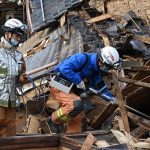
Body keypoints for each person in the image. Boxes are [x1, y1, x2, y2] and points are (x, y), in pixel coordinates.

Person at [47, 46, 122, 133]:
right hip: (58, 84)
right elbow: (65, 68)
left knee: (79, 119)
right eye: (107, 66)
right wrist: (78, 81)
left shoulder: (96, 69)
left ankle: (73, 137)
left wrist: (111, 98)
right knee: (76, 105)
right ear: (101, 60)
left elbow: (99, 87)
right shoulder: (82, 58)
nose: (106, 69)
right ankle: (52, 121)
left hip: (70, 88)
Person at [0, 18, 27, 136]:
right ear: (7, 34)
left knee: (10, 135)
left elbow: (21, 77)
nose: (19, 39)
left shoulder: (19, 56)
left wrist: (22, 79)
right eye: (17, 36)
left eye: (20, 37)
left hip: (11, 101)